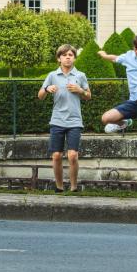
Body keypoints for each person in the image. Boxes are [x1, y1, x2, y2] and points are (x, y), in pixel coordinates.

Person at [38, 44, 91, 193]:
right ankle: (59, 187)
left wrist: (80, 90)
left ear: (74, 58)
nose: (68, 57)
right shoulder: (52, 76)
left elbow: (89, 96)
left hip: (74, 120)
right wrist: (47, 89)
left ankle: (74, 187)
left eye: (71, 55)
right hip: (57, 120)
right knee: (56, 156)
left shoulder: (80, 75)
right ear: (59, 58)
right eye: (64, 55)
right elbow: (40, 96)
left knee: (73, 155)